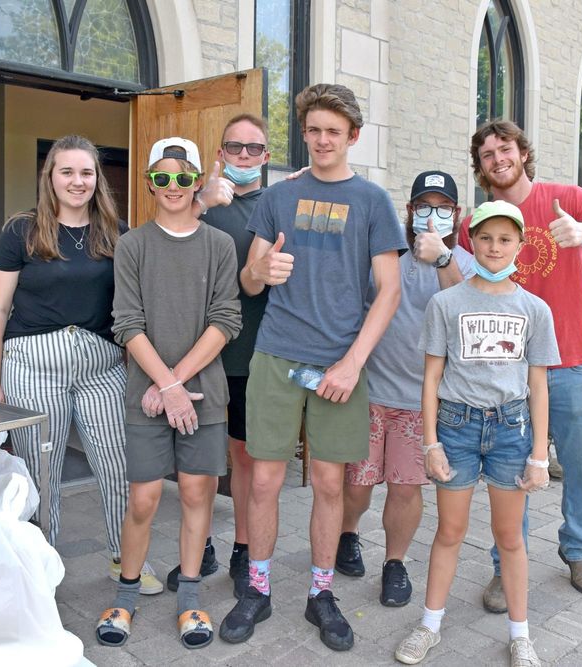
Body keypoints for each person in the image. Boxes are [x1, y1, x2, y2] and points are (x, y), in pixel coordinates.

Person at [219, 83, 406, 652]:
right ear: (304, 134)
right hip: (276, 354)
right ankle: (257, 586)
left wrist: (352, 364)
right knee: (265, 478)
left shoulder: (372, 201)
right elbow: (248, 278)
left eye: (334, 131)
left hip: (338, 364)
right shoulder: (279, 197)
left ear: (352, 136)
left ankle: (321, 593)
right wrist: (263, 271)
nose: (323, 140)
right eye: (314, 130)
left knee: (329, 482)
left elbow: (390, 291)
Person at [458, 120, 582, 611]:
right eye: (488, 153)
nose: (498, 158)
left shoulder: (569, 198)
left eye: (505, 148)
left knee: (579, 467)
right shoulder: (478, 219)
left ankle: (577, 551)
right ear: (481, 166)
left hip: (570, 363)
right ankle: (504, 567)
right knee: (513, 473)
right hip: (506, 372)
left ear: (522, 153)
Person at [0, 134, 163, 593]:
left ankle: (128, 559)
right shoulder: (21, 231)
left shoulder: (116, 232)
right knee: (40, 472)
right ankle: (40, 570)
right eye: (67, 171)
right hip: (31, 366)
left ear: (97, 179)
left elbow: (134, 307)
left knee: (120, 464)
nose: (77, 181)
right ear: (51, 177)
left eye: (86, 172)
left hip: (102, 367)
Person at [393, 200, 559, 666]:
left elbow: (538, 385)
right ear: (471, 241)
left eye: (505, 239)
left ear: (520, 246)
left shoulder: (535, 309)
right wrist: (430, 442)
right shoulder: (446, 303)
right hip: (457, 427)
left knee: (510, 536)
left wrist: (539, 455)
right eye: (485, 237)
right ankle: (429, 625)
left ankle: (521, 634)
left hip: (510, 430)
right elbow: (430, 378)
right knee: (450, 530)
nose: (494, 247)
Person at [95, 137, 241, 650]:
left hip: (201, 395)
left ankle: (190, 597)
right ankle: (126, 594)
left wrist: (175, 383)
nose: (173, 186)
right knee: (144, 498)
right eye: (162, 177)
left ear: (198, 181)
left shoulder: (219, 245)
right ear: (150, 183)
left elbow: (227, 320)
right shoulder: (132, 245)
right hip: (147, 396)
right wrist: (166, 384)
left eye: (183, 177)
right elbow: (127, 322)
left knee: (198, 493)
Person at [335, 170, 474, 608]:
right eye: (424, 206)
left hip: (421, 404)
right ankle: (346, 534)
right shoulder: (386, 254)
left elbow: (467, 314)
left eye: (443, 207)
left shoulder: (464, 264)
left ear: (457, 214)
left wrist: (441, 260)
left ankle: (394, 562)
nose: (433, 215)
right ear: (410, 211)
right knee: (357, 485)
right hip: (371, 392)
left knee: (405, 488)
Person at [165, 113, 272, 599]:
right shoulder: (193, 201)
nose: (245, 156)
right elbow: (163, 253)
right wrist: (202, 201)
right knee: (203, 457)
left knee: (245, 457)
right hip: (201, 352)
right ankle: (201, 544)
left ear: (266, 157)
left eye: (254, 149)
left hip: (255, 355)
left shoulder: (276, 206)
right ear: (221, 153)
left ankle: (244, 550)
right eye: (236, 147)